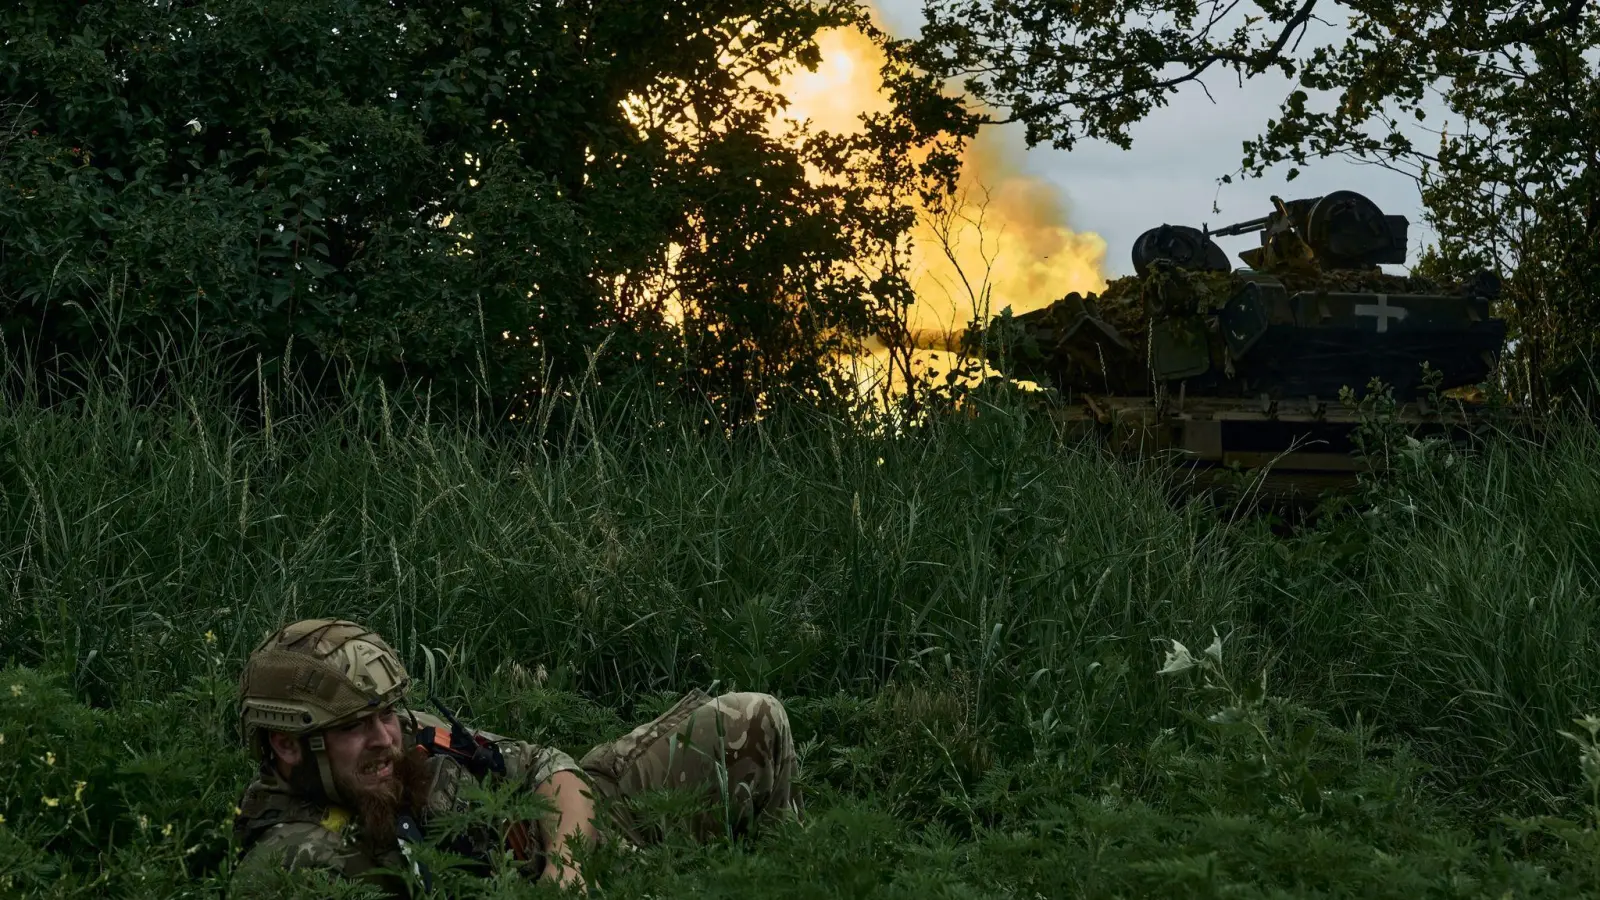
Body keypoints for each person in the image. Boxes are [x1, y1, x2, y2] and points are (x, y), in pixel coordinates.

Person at [231, 619, 798, 895]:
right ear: (287, 744)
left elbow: (547, 763)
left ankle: (796, 869)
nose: (385, 738)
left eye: (386, 714)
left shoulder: (405, 735)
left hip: (586, 829)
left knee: (753, 716)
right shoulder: (296, 862)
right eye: (354, 727)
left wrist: (566, 869)